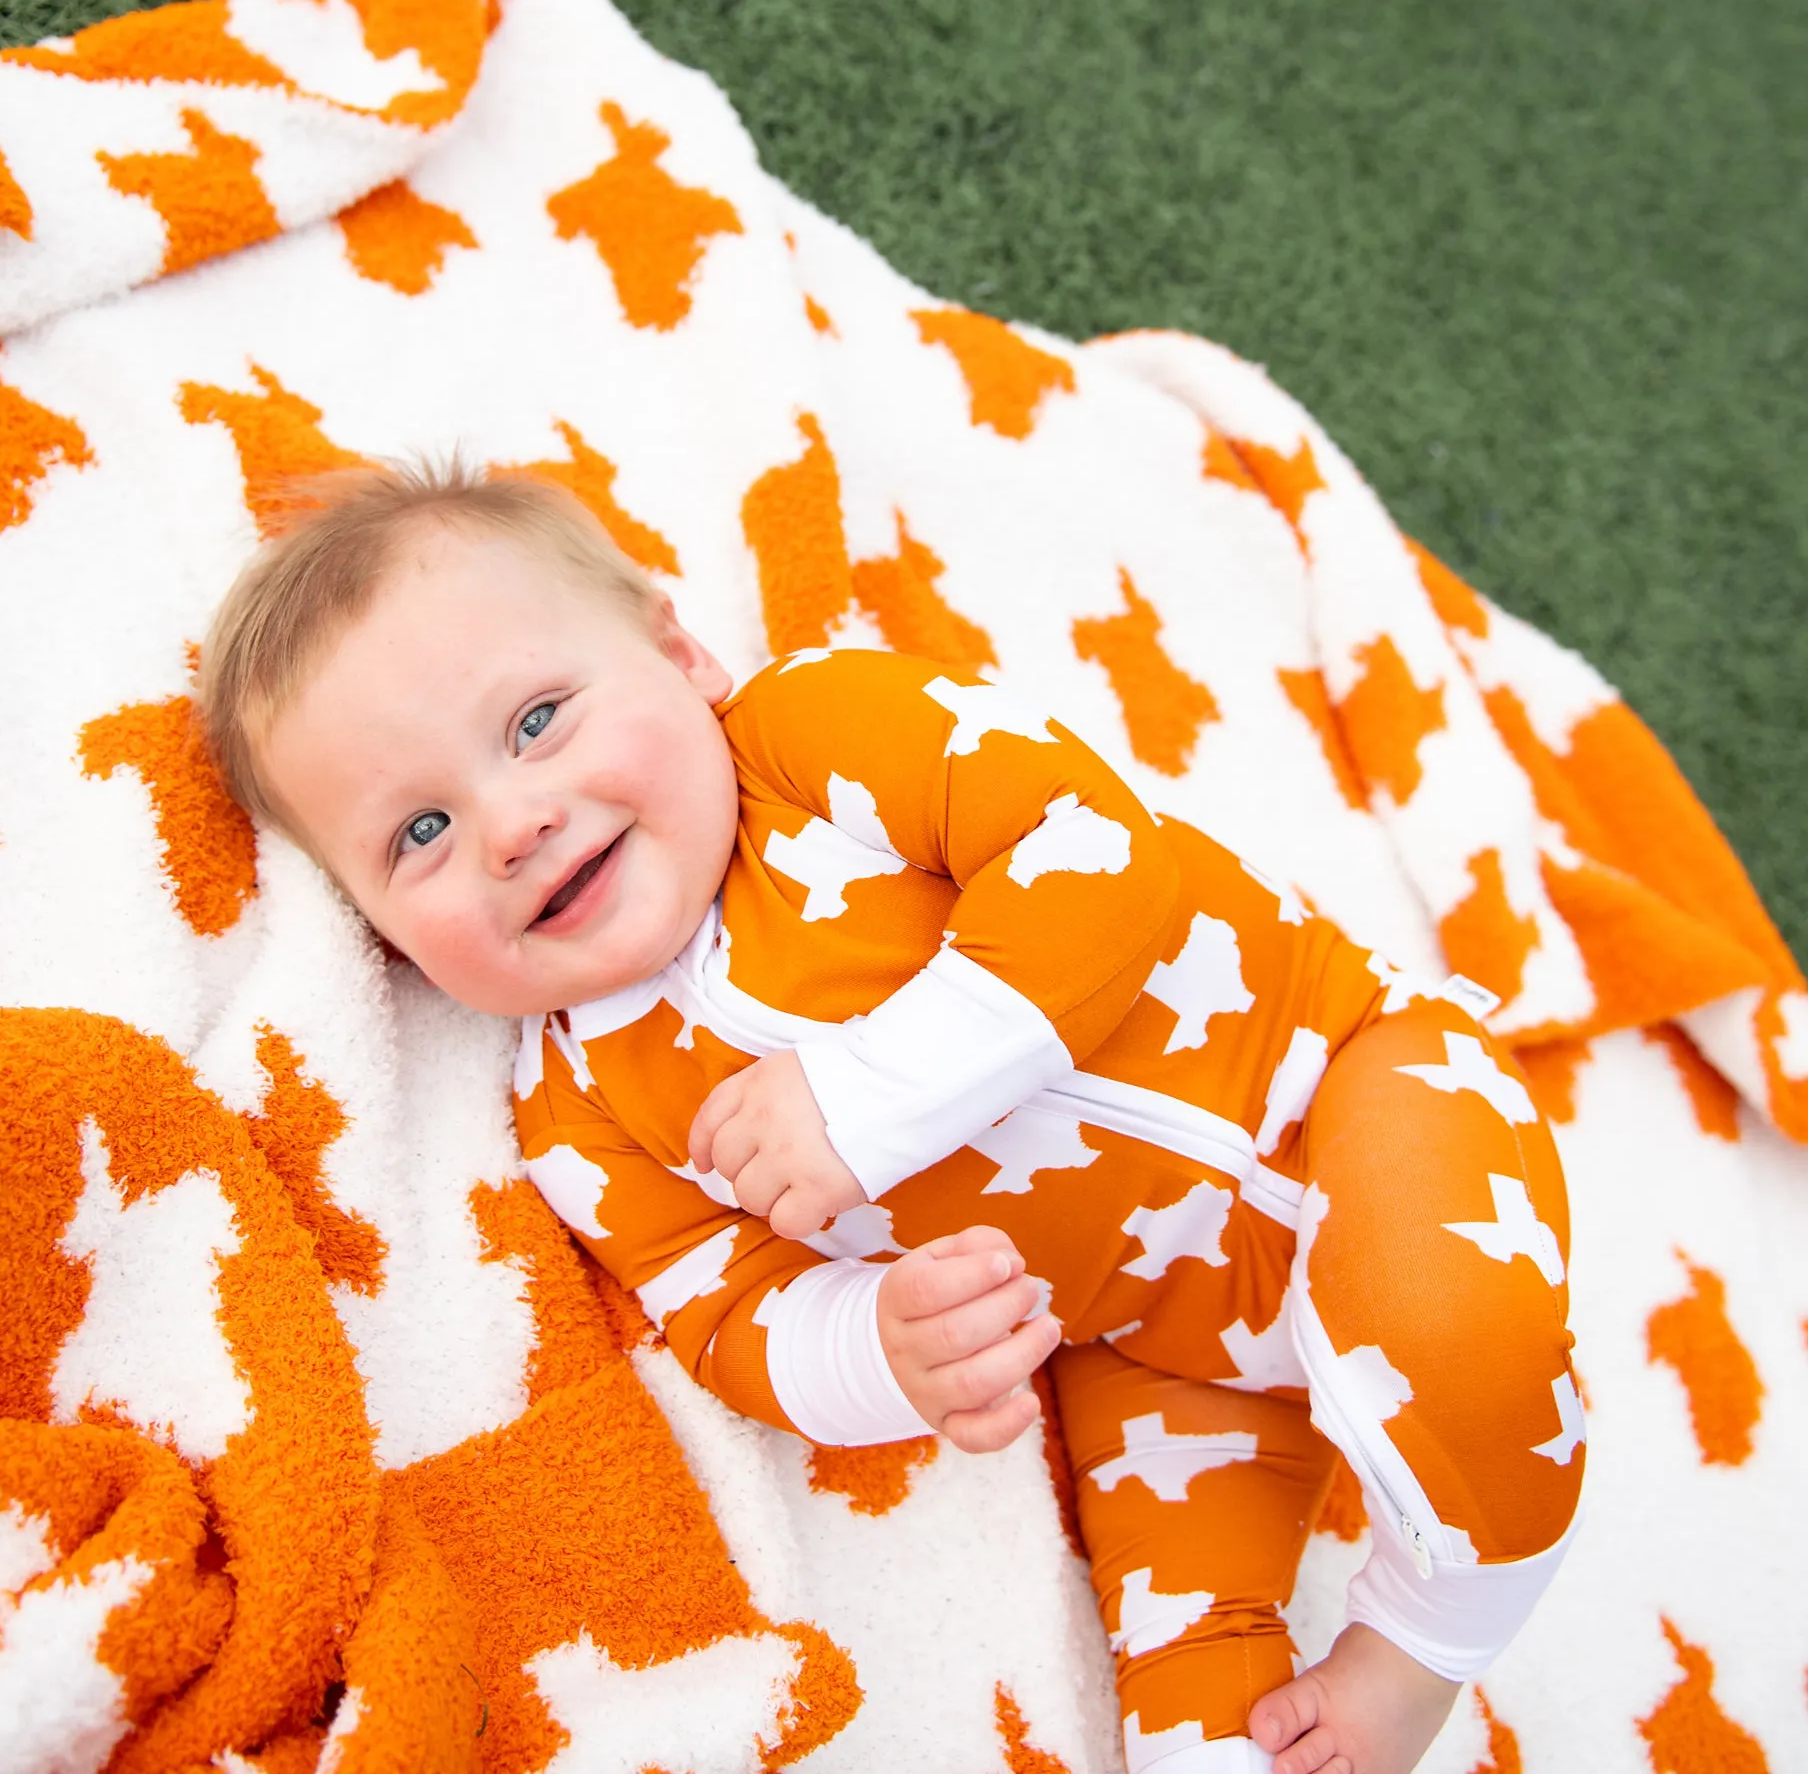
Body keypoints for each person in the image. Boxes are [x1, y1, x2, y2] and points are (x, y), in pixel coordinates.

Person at [200, 461, 1585, 1774]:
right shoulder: (576, 1108)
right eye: (418, 836)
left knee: (1454, 1328)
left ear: (681, 660)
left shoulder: (817, 739)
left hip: (1351, 1075)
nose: (511, 823)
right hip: (1159, 1355)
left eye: (537, 722)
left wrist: (864, 1102)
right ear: (387, 940)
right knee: (1185, 1685)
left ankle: (1420, 1646)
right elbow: (731, 1314)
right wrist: (880, 1350)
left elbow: (1096, 856)